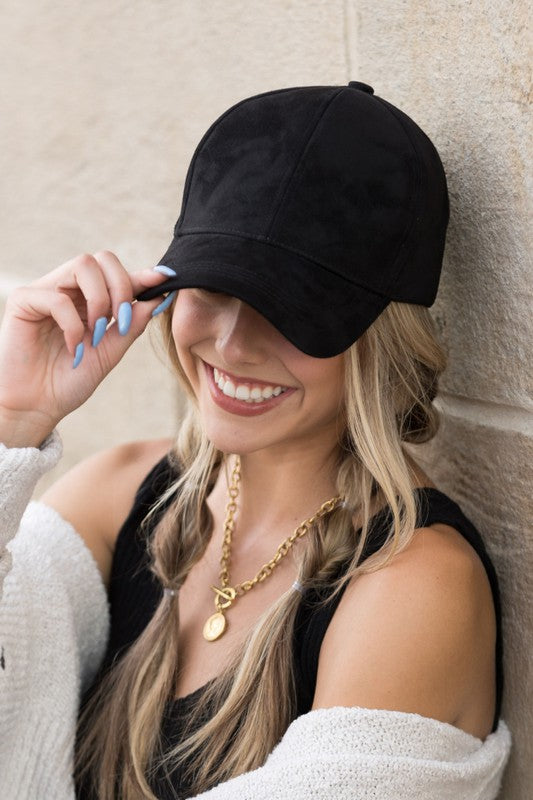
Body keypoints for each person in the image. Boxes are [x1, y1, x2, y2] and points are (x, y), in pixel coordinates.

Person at [0, 81, 511, 800]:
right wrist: (13, 421)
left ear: (377, 340)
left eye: (288, 307)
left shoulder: (415, 585)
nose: (233, 345)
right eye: (213, 288)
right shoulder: (119, 492)